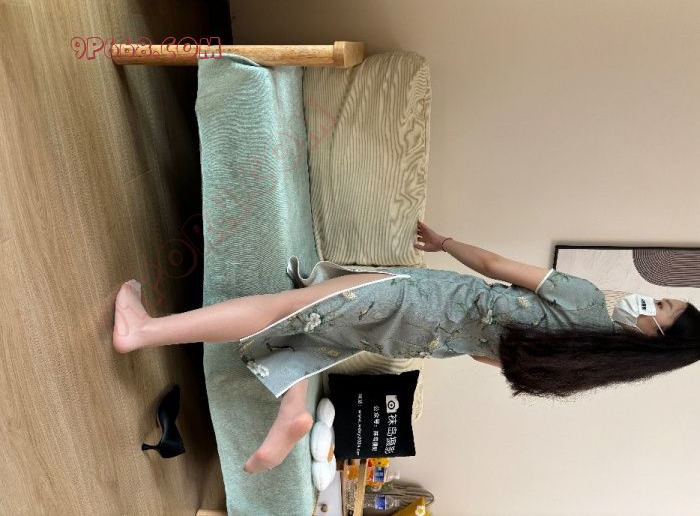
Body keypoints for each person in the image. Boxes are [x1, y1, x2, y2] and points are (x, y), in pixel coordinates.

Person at [113, 220, 700, 474]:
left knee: (279, 309)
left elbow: (495, 265)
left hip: (420, 299)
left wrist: (445, 242)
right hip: (426, 339)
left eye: (660, 307)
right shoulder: (582, 365)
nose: (648, 301)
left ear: (657, 336)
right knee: (312, 328)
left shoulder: (585, 300)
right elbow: (487, 358)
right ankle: (292, 410)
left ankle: (142, 330)